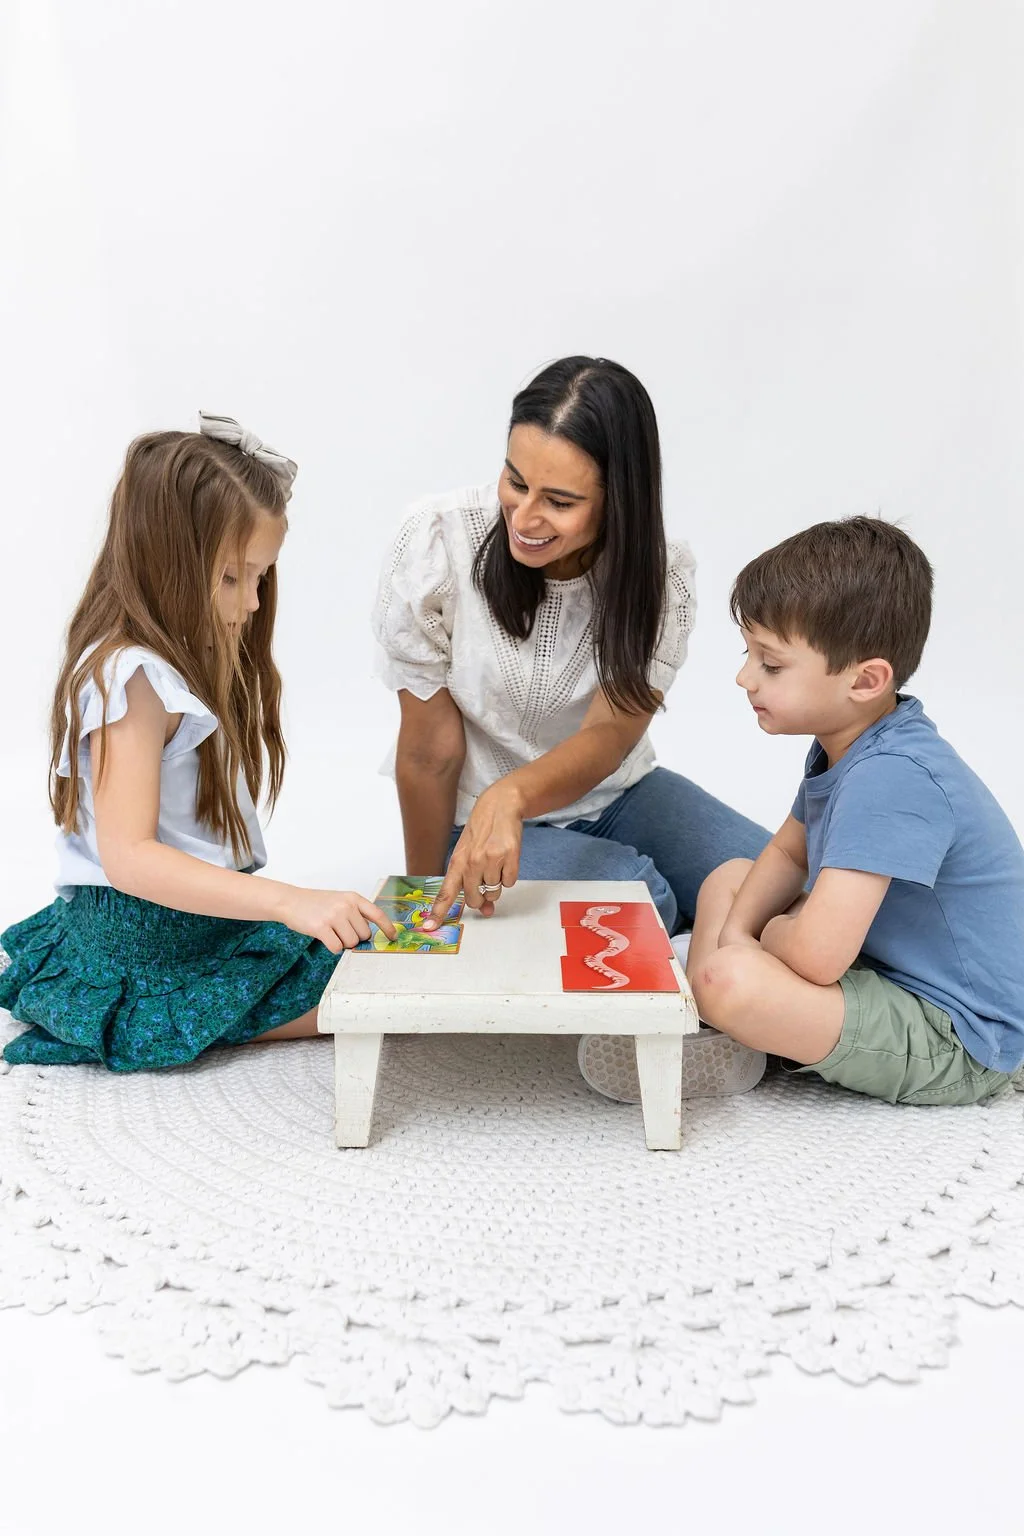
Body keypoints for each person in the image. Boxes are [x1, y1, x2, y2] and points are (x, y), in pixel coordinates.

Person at [372, 355, 770, 1098]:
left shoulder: (660, 574)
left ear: (618, 501)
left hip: (618, 793)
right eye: (514, 481)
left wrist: (516, 795)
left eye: (560, 500)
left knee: (779, 880)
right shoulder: (437, 542)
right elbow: (427, 753)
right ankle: (709, 1010)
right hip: (480, 825)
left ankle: (722, 1006)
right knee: (640, 897)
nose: (524, 517)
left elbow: (609, 737)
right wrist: (425, 909)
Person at [0, 415, 395, 1071]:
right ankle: (183, 1016)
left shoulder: (174, 657)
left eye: (262, 577)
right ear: (166, 562)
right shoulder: (133, 677)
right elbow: (128, 858)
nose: (251, 603)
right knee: (378, 990)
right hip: (151, 938)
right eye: (233, 578)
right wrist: (288, 901)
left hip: (168, 922)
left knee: (369, 957)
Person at [675, 515, 1024, 1105]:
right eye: (748, 653)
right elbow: (789, 849)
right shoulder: (847, 743)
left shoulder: (892, 777)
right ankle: (726, 1009)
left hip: (961, 1033)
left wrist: (761, 940)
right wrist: (739, 930)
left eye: (771, 663)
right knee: (730, 879)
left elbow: (814, 954)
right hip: (883, 967)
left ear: (865, 681)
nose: (742, 677)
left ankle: (719, 1011)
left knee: (729, 980)